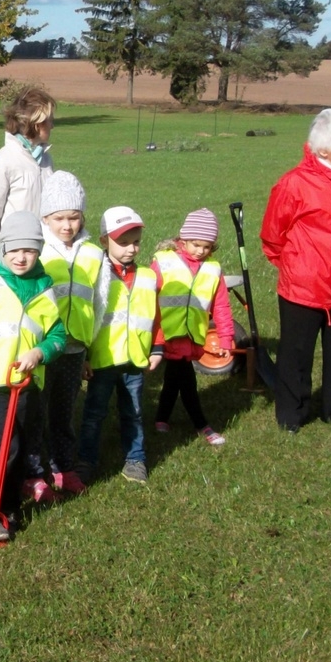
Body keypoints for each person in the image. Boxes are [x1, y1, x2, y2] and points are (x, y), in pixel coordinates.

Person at [261, 107, 331, 434]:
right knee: (296, 354)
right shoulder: (294, 184)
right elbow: (272, 235)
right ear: (324, 149)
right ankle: (291, 415)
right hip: (304, 287)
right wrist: (298, 267)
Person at [0, 211, 66, 544]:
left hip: (24, 382)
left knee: (17, 447)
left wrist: (40, 353)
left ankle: (5, 506)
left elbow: (58, 333)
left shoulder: (44, 286)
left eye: (30, 250)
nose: (21, 257)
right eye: (14, 249)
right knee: (7, 446)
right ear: (2, 248)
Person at [77, 206, 159, 484]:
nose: (131, 249)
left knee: (133, 412)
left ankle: (135, 459)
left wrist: (157, 348)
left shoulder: (148, 277)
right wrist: (83, 356)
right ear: (104, 241)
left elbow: (155, 316)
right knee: (94, 414)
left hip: (135, 360)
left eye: (135, 242)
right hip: (102, 360)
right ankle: (86, 461)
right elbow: (85, 316)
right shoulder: (96, 276)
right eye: (123, 243)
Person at [38, 171, 103, 497]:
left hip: (75, 348)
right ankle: (34, 471)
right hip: (43, 348)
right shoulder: (37, 251)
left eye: (74, 218)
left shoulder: (94, 254)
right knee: (37, 411)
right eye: (59, 218)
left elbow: (100, 302)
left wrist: (89, 347)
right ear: (45, 218)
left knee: (64, 412)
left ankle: (63, 466)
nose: (67, 225)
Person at [152, 209, 234, 446]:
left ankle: (161, 418)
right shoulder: (164, 262)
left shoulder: (213, 270)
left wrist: (226, 338)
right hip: (167, 334)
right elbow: (147, 298)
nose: (200, 251)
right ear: (183, 240)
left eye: (207, 247)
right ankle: (202, 425)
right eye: (196, 244)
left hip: (192, 336)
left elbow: (221, 307)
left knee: (174, 377)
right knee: (186, 380)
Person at [0, 86, 55, 248]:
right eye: (49, 120)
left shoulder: (46, 160)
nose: (52, 126)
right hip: (13, 255)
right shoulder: (0, 162)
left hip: (44, 252)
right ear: (35, 123)